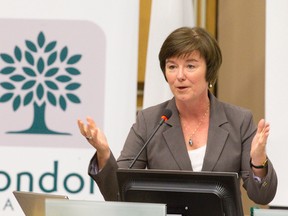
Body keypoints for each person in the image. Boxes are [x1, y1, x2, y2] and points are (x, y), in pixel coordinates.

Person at [78, 27, 277, 204]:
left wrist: (258, 161)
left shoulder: (238, 121)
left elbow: (261, 196)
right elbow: (118, 194)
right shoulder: (150, 121)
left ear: (210, 72)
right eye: (172, 66)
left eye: (190, 66)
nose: (179, 75)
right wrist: (104, 153)